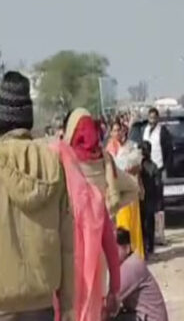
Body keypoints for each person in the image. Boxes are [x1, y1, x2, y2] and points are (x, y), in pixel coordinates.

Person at [0, 71, 74, 321]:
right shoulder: (52, 166)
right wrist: (68, 305)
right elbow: (67, 245)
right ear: (28, 121)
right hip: (40, 306)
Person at [60, 108, 141, 321]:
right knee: (93, 308)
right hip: (98, 249)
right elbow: (134, 189)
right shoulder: (104, 161)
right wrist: (107, 209)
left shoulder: (61, 161)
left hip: (67, 252)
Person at [106, 123, 145, 260]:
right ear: (111, 133)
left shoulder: (131, 147)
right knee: (120, 225)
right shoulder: (108, 150)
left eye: (120, 130)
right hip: (116, 192)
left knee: (133, 224)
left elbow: (137, 167)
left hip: (130, 190)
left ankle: (136, 254)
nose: (118, 133)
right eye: (115, 130)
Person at [115, 229, 168, 321]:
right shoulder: (131, 262)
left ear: (127, 248)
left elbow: (110, 301)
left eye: (114, 249)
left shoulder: (130, 265)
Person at [138, 142, 161, 257]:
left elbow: (158, 184)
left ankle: (146, 246)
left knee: (144, 224)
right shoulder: (152, 166)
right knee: (148, 224)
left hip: (143, 199)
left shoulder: (139, 167)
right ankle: (149, 247)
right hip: (148, 199)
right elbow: (158, 185)